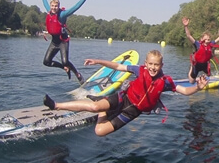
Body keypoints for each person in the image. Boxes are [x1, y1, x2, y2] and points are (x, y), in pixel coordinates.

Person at [43, 50, 209, 136]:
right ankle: (56, 105)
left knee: (99, 132)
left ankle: (103, 111)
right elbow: (118, 67)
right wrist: (98, 61)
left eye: (156, 65)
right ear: (146, 63)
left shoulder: (165, 81)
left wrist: (198, 88)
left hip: (133, 112)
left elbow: (185, 91)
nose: (152, 67)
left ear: (161, 65)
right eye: (150, 64)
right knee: (94, 106)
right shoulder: (139, 69)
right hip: (124, 98)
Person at [39, 0, 94, 84]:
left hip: (63, 42)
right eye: (52, 6)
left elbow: (75, 8)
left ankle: (77, 74)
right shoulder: (49, 11)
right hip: (54, 42)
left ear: (58, 6)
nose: (54, 8)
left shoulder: (62, 15)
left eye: (56, 6)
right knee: (46, 62)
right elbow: (45, 3)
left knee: (65, 61)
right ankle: (65, 68)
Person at [183, 17, 219, 82]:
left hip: (205, 65)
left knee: (209, 75)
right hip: (196, 65)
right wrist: (186, 26)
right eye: (205, 39)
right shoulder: (197, 44)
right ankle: (191, 68)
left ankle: (202, 79)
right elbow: (189, 36)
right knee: (191, 81)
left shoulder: (211, 44)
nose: (207, 41)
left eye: (208, 39)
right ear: (201, 39)